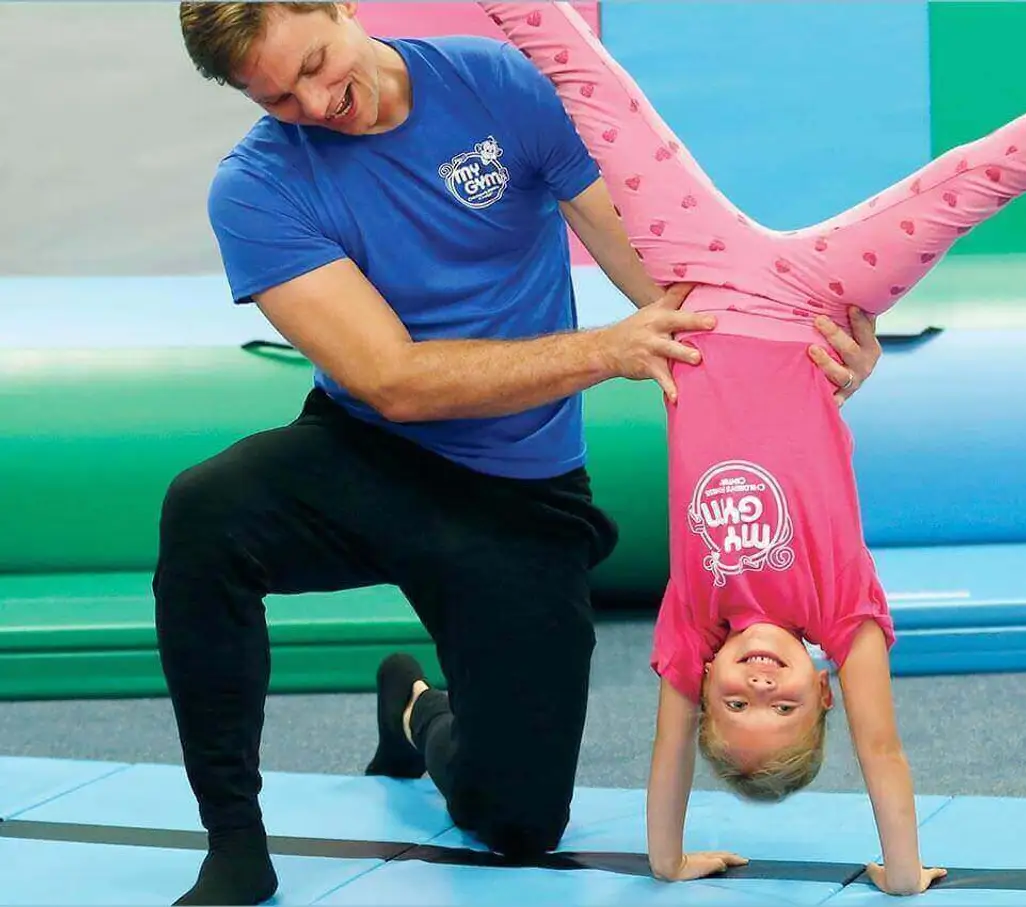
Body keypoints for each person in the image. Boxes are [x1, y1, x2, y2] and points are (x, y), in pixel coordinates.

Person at [455, 2, 1026, 896]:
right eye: (782, 703)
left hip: (700, 286)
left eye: (735, 702)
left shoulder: (691, 620)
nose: (758, 681)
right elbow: (882, 749)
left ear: (704, 683)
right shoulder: (845, 613)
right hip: (816, 303)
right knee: (971, 181)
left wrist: (667, 859)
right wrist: (904, 872)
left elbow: (666, 753)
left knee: (600, 95)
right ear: (823, 690)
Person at [161, 3, 882, 904]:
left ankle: (415, 706)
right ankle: (234, 841)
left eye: (313, 65)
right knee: (204, 509)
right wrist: (605, 352)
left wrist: (808, 358)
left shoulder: (496, 85)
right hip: (365, 456)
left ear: (340, 6)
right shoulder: (257, 187)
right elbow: (392, 380)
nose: (313, 103)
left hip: (522, 491)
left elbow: (666, 284)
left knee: (518, 822)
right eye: (276, 97)